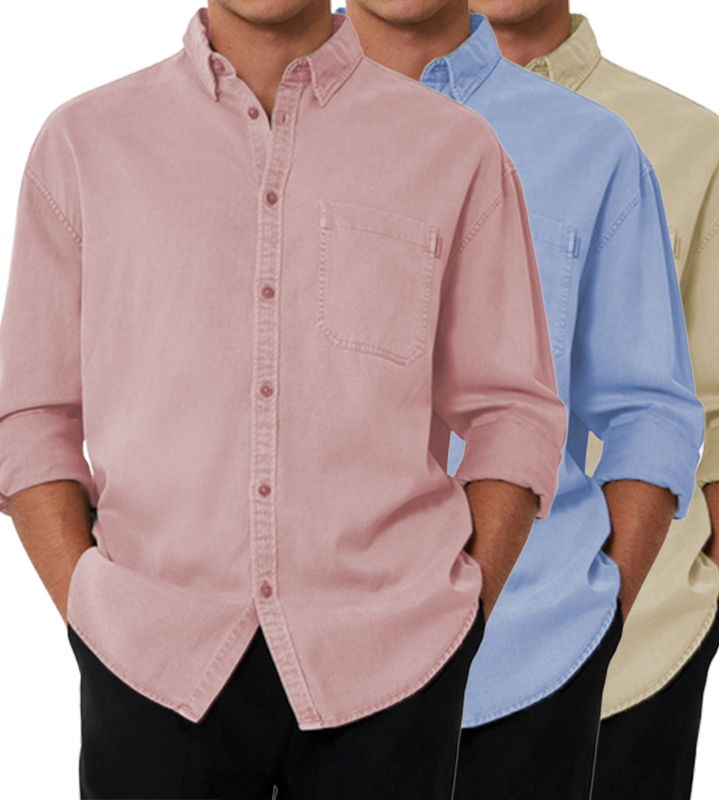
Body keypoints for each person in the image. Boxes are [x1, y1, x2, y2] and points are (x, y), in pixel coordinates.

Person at [0, 1, 568, 797]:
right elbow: (31, 412)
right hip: (149, 662)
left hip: (395, 664)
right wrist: (89, 606)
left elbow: (514, 410)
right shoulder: (83, 144)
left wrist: (466, 607)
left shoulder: (453, 148)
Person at [345, 2, 704, 797]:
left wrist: (600, 611)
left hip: (526, 680)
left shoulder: (592, 147)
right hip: (299, 681)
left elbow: (650, 411)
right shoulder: (253, 135)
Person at [469, 0, 719, 797]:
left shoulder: (686, 145)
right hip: (348, 675)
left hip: (622, 681)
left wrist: (678, 616)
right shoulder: (324, 121)